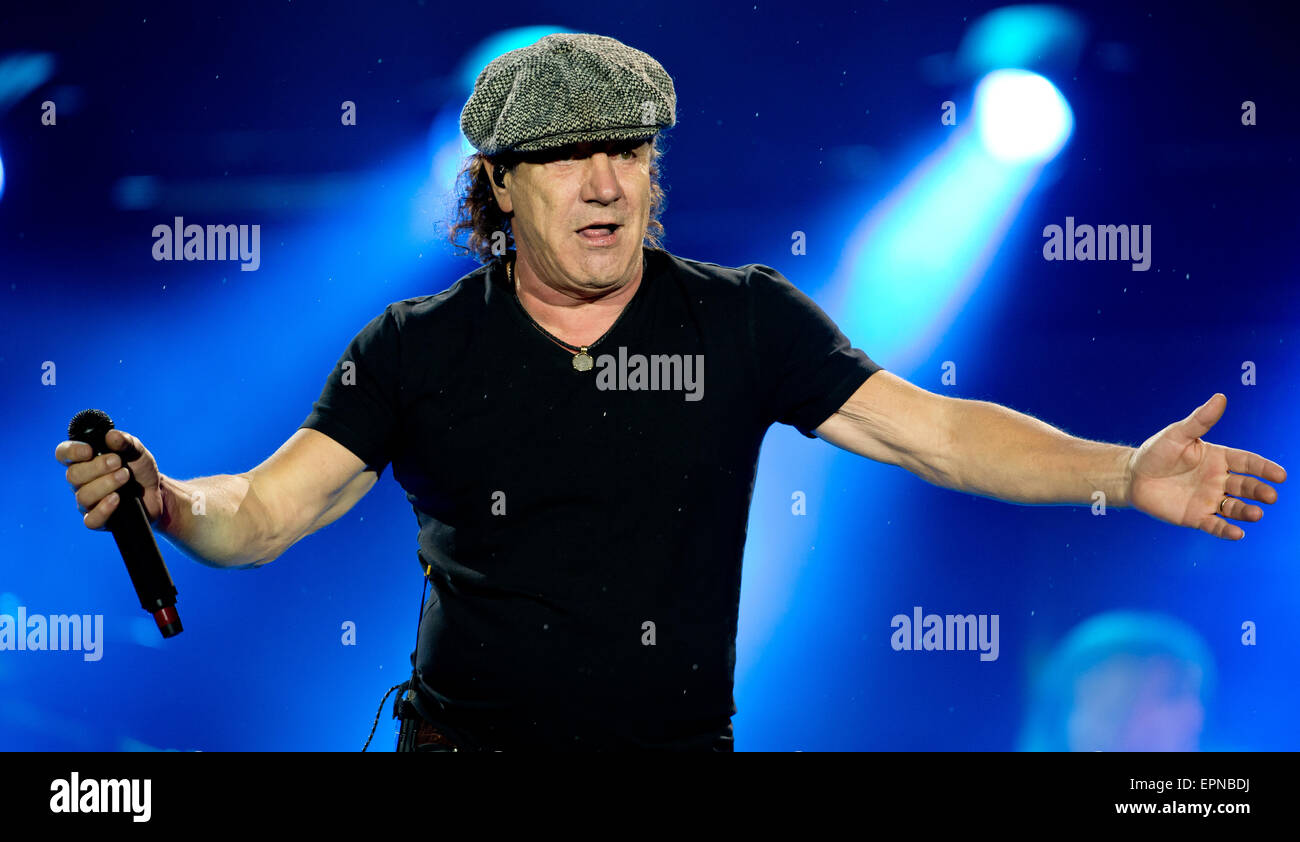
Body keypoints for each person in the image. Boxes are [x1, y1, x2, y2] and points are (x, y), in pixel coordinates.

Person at [55, 33, 1286, 751]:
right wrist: (166, 499)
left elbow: (942, 435)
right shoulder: (418, 345)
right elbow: (263, 515)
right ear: (498, 187)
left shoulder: (740, 317)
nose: (605, 182)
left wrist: (1122, 470)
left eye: (630, 153)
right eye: (569, 157)